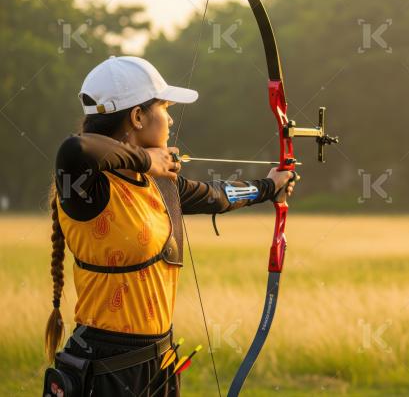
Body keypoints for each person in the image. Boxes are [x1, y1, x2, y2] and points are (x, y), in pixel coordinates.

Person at [42, 56, 294, 396]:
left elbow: (216, 196)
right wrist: (148, 159)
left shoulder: (158, 185)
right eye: (164, 107)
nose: (171, 118)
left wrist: (268, 187)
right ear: (137, 116)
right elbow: (76, 148)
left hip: (158, 358)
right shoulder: (88, 188)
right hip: (106, 362)